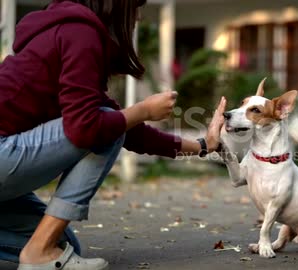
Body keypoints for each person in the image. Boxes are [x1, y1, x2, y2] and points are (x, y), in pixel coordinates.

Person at [0, 0, 226, 269]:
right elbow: (89, 128)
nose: (139, 15)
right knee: (105, 124)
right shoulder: (80, 33)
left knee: (62, 247)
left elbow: (130, 132)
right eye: (136, 5)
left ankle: (39, 249)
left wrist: (204, 145)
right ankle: (37, 252)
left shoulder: (68, 30)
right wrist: (142, 110)